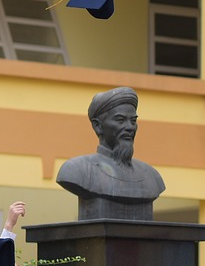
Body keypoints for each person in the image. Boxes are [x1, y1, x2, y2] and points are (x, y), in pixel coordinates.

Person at [56, 86, 166, 220]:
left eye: (133, 121)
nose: (129, 127)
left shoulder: (151, 177)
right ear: (98, 126)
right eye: (120, 120)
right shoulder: (77, 170)